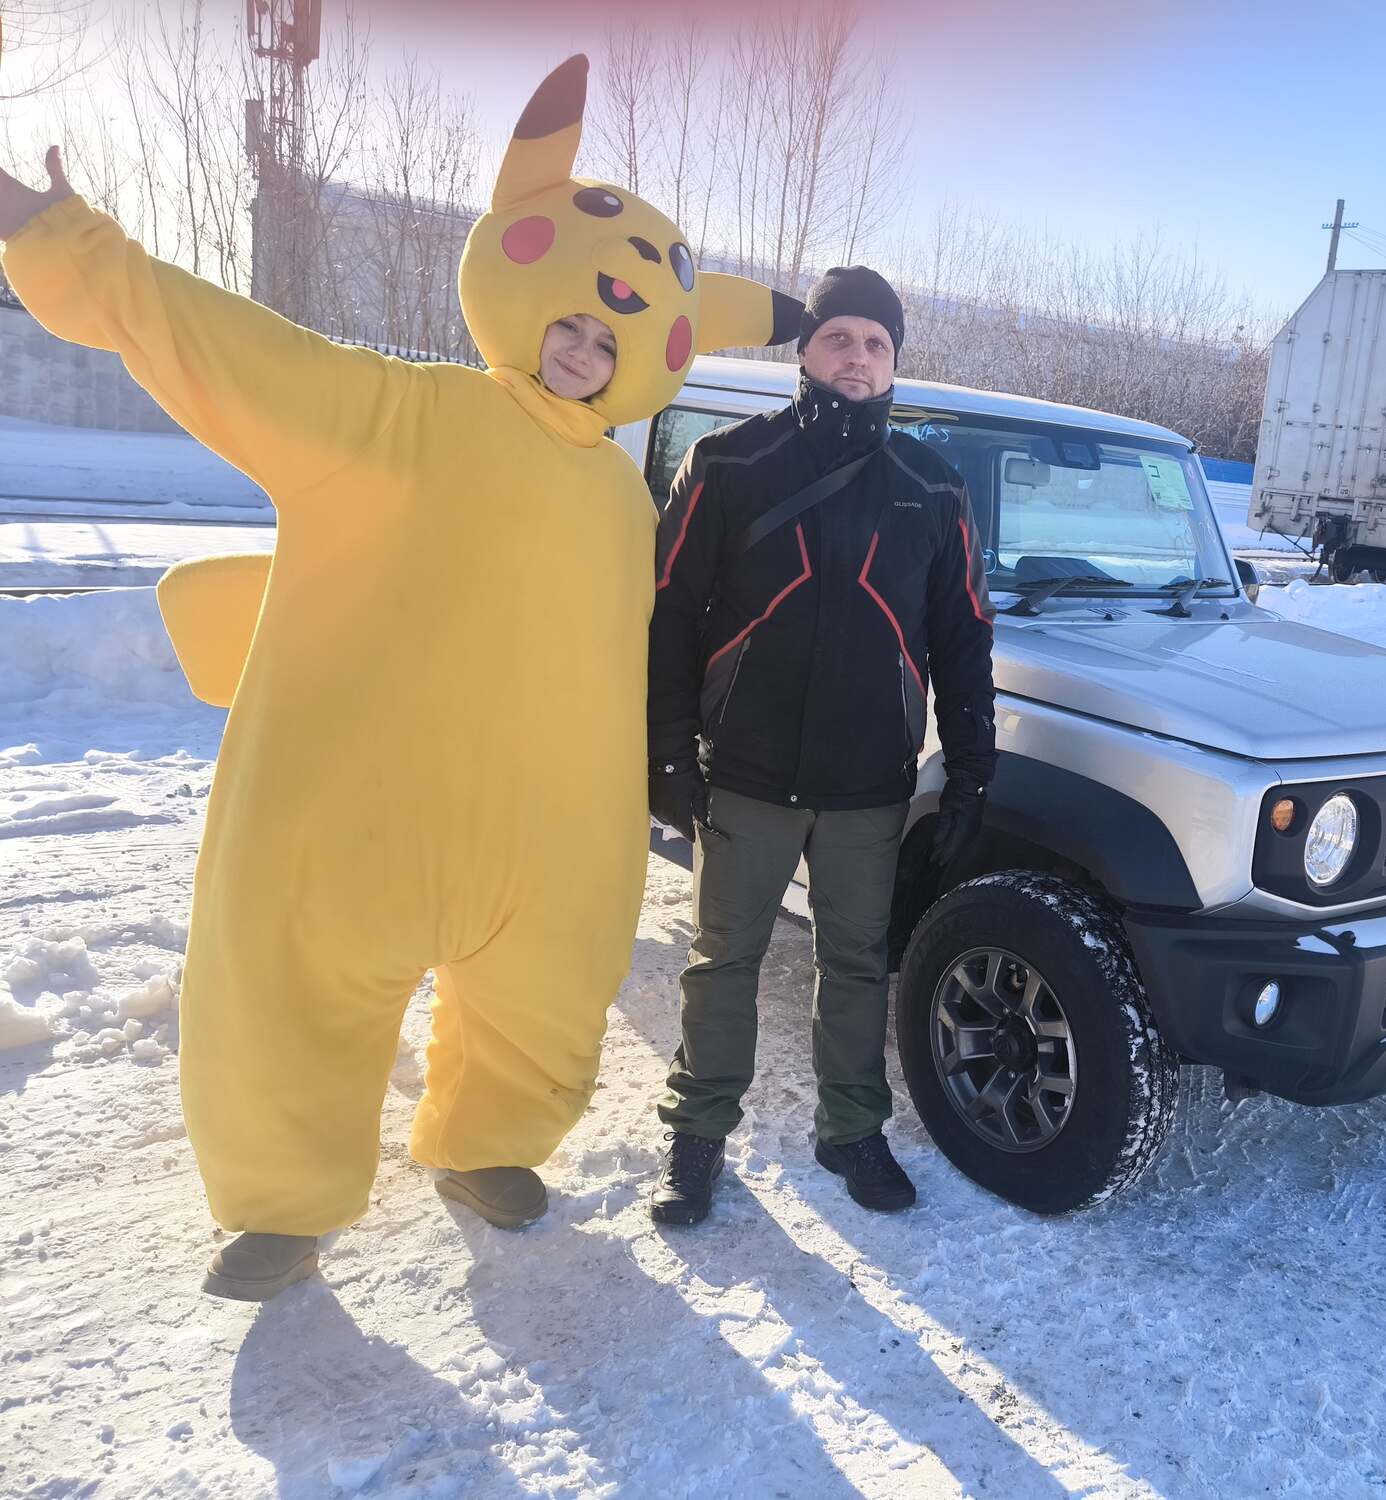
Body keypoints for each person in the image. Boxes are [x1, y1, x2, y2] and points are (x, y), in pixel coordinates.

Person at [0, 54, 798, 1300]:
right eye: (572, 323)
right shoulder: (397, 412)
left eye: (611, 339)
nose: (584, 351)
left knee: (548, 1002)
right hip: (353, 804)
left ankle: (486, 1144)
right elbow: (220, 346)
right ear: (521, 294)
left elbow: (641, 641)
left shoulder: (621, 499)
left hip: (545, 833)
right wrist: (65, 242)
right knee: (289, 986)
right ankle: (283, 1201)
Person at [646, 266, 996, 1226]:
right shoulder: (728, 464)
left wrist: (971, 770)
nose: (856, 356)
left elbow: (964, 636)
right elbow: (669, 615)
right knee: (723, 960)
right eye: (838, 336)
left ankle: (851, 1131)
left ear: (893, 365)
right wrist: (668, 755)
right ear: (804, 351)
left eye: (875, 343)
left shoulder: (932, 484)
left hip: (868, 784)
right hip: (747, 774)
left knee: (854, 962)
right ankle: (698, 1133)